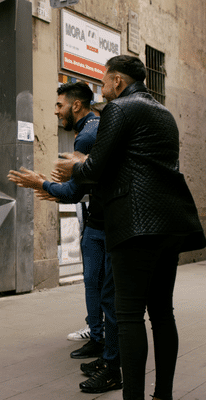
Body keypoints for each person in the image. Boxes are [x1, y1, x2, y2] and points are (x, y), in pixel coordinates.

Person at [55, 55, 206, 400]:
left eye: (104, 81)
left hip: (136, 224)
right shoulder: (164, 113)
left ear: (118, 82)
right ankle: (162, 395)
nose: (102, 88)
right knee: (162, 313)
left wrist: (73, 169)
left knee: (128, 316)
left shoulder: (119, 110)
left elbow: (96, 168)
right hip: (171, 223)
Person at [8, 82, 121, 394]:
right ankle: (105, 348)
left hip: (102, 224)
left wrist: (39, 183)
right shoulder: (94, 127)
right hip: (101, 218)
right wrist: (52, 187)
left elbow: (75, 190)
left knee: (100, 289)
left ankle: (107, 352)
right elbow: (83, 186)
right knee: (101, 288)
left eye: (59, 105)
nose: (55, 111)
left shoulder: (87, 134)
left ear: (76, 105)